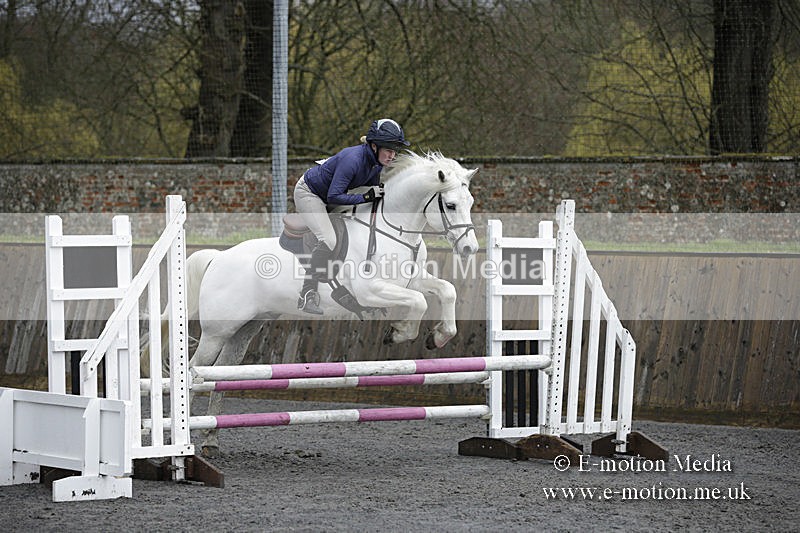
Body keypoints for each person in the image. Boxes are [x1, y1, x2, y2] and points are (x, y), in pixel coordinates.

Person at [293, 118, 411, 314]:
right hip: (311, 194)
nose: (393, 155)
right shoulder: (353, 160)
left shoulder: (376, 162)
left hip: (332, 194)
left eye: (395, 150)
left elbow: (370, 192)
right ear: (374, 146)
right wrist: (365, 196)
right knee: (329, 240)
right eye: (389, 150)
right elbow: (334, 196)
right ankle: (307, 294)